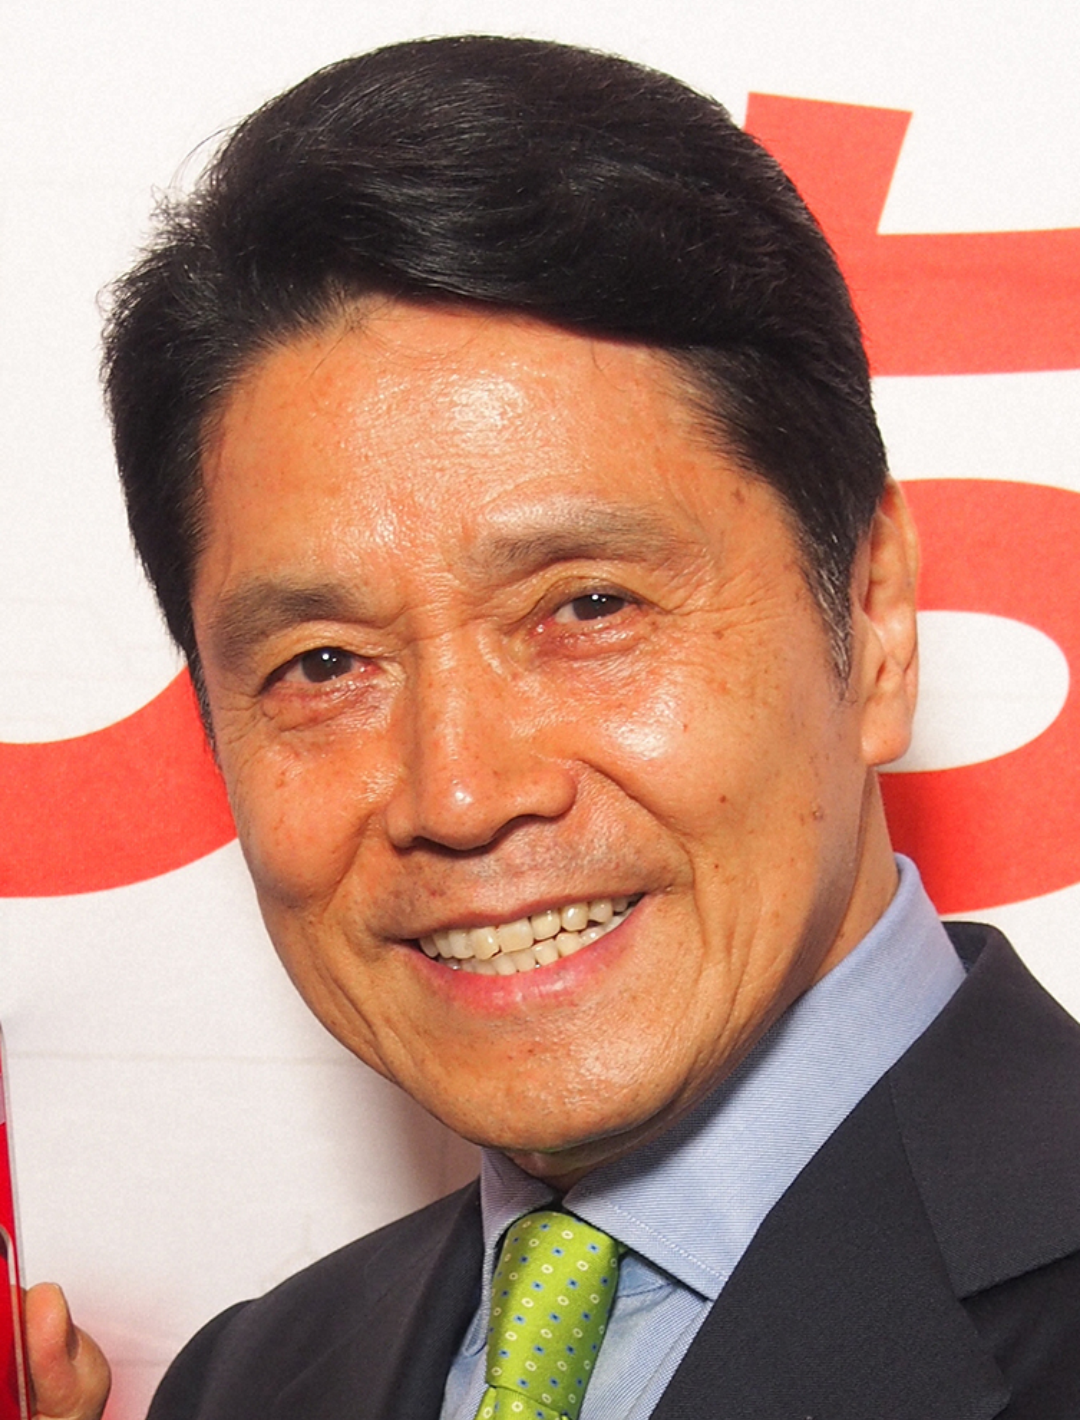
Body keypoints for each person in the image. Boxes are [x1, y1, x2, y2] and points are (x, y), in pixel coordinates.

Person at [28, 33, 1080, 1420]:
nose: (459, 792)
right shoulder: (250, 1381)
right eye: (325, 663)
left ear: (872, 615)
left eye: (588, 606)